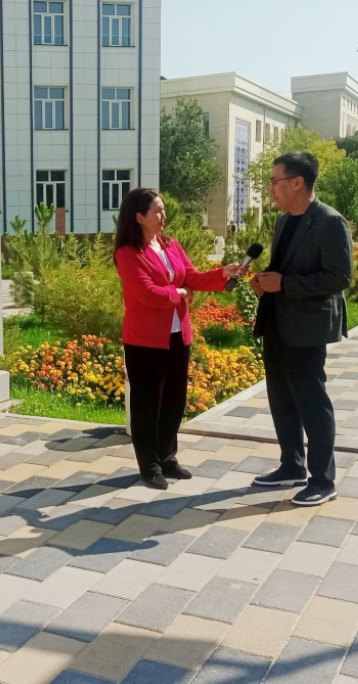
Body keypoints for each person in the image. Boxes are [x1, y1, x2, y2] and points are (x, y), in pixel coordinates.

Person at [114, 188, 244, 489]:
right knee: (148, 404)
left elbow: (193, 276)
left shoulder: (170, 245)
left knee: (174, 400)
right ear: (139, 217)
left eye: (163, 210)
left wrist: (222, 273)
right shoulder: (128, 254)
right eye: (157, 211)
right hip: (145, 341)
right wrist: (180, 293)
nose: (164, 215)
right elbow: (147, 294)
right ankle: (149, 465)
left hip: (177, 335)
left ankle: (167, 457)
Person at [250, 151, 353, 506]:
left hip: (307, 327)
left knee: (311, 401)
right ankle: (291, 465)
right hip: (277, 322)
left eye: (274, 181)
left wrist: (285, 284)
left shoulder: (330, 221)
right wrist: (265, 282)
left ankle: (323, 480)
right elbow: (284, 268)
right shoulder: (283, 221)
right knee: (281, 397)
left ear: (297, 182)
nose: (270, 189)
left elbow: (340, 277)